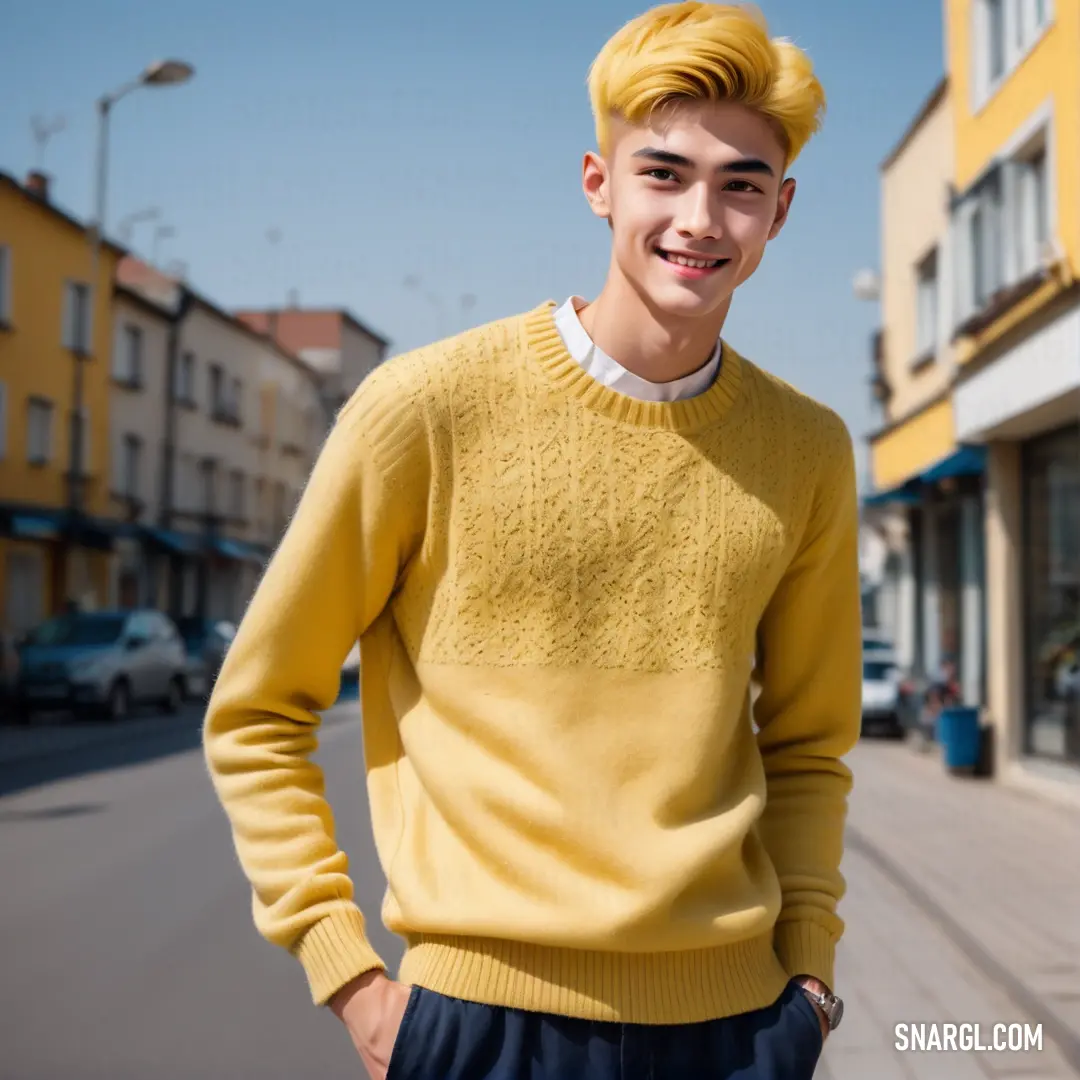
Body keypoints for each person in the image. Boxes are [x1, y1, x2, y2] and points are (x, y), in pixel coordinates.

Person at [203, 4, 861, 1077]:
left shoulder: (810, 449)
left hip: (740, 1028)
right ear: (599, 183)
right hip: (477, 1028)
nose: (701, 217)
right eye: (663, 172)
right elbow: (259, 707)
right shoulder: (424, 408)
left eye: (740, 185)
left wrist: (812, 986)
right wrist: (353, 980)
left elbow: (809, 744)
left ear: (778, 212)